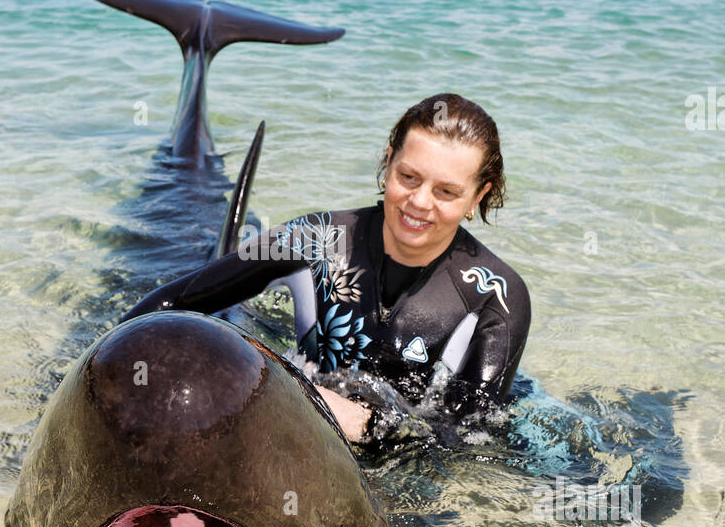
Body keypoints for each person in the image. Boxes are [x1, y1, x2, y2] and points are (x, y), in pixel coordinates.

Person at [122, 93, 531, 444]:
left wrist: (368, 425)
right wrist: (109, 368)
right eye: (408, 177)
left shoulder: (496, 295)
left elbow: (468, 438)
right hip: (302, 418)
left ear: (479, 195)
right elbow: (174, 302)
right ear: (388, 161)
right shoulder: (315, 239)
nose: (420, 202)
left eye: (446, 192)